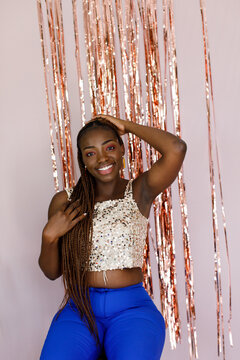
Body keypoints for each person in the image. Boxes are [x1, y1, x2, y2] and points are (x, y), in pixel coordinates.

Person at [38, 114, 187, 360]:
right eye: (90, 153)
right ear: (82, 160)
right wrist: (49, 237)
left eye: (109, 147)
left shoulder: (140, 190)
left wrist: (126, 125)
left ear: (121, 150)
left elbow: (176, 148)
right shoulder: (65, 201)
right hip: (80, 311)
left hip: (131, 311)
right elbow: (52, 272)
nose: (102, 158)